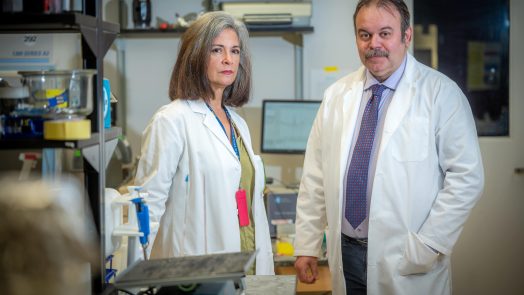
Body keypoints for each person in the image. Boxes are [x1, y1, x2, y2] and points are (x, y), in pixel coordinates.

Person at [293, 0, 484, 294]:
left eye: (385, 33)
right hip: (345, 254)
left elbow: (467, 178)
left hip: (407, 260)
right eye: (365, 34)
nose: (374, 44)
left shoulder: (440, 94)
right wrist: (306, 244)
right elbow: (315, 175)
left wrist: (429, 244)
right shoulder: (336, 96)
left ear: (406, 36)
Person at [133, 11, 274, 275]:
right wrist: (136, 276)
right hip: (194, 269)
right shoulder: (172, 120)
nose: (227, 59)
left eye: (234, 51)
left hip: (247, 258)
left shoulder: (237, 122)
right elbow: (148, 205)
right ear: (196, 56)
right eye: (216, 50)